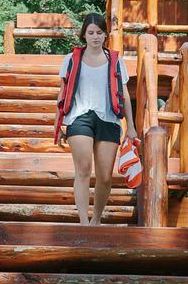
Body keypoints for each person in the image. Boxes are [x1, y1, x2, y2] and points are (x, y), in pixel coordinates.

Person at [55, 13, 137, 225]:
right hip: (79, 117)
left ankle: (96, 219)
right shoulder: (71, 60)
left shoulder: (115, 61)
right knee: (83, 169)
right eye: (90, 33)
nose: (95, 37)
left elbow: (125, 94)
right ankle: (83, 222)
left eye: (99, 33)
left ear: (105, 35)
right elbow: (62, 93)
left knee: (105, 176)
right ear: (84, 35)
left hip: (108, 118)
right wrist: (58, 123)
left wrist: (131, 127)